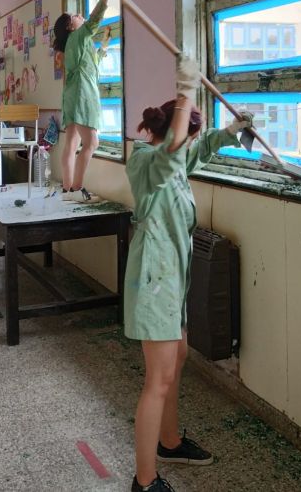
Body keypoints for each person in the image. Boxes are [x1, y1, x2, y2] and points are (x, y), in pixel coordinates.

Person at [124, 56, 252, 492]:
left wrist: (230, 133)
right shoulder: (147, 162)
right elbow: (175, 151)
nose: (187, 146)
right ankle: (145, 480)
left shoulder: (176, 161)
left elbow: (192, 148)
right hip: (155, 281)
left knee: (174, 362)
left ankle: (170, 441)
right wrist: (186, 92)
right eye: (184, 136)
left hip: (173, 280)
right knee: (157, 380)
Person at [53, 0, 118, 202]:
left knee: (71, 144)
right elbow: (96, 17)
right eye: (76, 16)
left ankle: (68, 188)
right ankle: (78, 190)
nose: (80, 16)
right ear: (72, 26)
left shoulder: (76, 43)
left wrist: (105, 45)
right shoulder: (79, 36)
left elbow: (94, 62)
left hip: (71, 95)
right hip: (81, 94)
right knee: (92, 143)